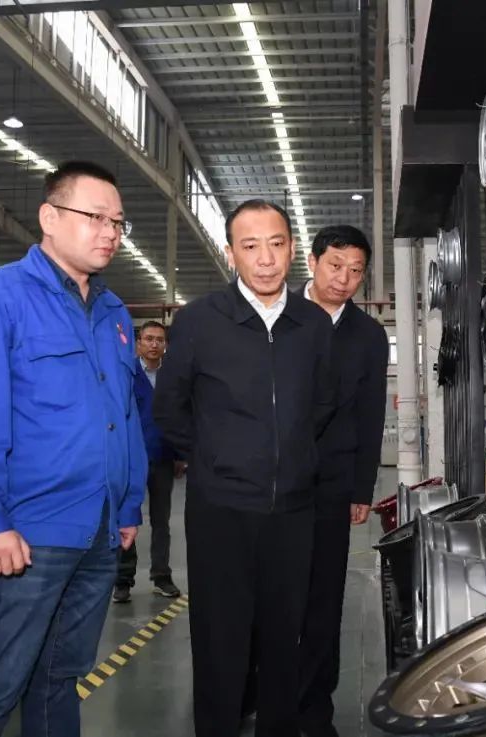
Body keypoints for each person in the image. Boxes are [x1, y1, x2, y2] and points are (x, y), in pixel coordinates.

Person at [0, 161, 147, 737]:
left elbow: (124, 416)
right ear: (49, 217)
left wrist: (128, 505)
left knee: (60, 680)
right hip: (28, 533)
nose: (110, 232)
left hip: (99, 531)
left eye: (118, 222)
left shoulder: (114, 312)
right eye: (95, 217)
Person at [154, 199, 335, 737]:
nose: (265, 259)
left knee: (284, 639)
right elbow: (169, 408)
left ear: (292, 249)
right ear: (230, 253)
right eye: (250, 246)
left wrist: (292, 458)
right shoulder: (198, 321)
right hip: (220, 510)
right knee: (220, 639)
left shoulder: (313, 324)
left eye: (276, 244)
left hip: (292, 511)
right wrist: (216, 456)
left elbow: (322, 405)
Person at [298, 225, 388, 737]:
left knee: (323, 598)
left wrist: (361, 489)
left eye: (356, 271)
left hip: (333, 483)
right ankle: (257, 693)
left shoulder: (369, 336)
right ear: (312, 262)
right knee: (269, 594)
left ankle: (315, 710)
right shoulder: (278, 317)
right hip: (272, 482)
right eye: (335, 266)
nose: (344, 279)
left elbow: (371, 415)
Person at [113, 320, 185, 603]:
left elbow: (181, 415)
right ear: (139, 343)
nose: (154, 344)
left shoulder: (172, 377)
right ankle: (123, 580)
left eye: (160, 340)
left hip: (163, 457)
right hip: (131, 459)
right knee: (126, 517)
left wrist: (180, 454)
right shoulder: (126, 374)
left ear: (165, 345)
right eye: (149, 339)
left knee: (161, 521)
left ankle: (161, 576)